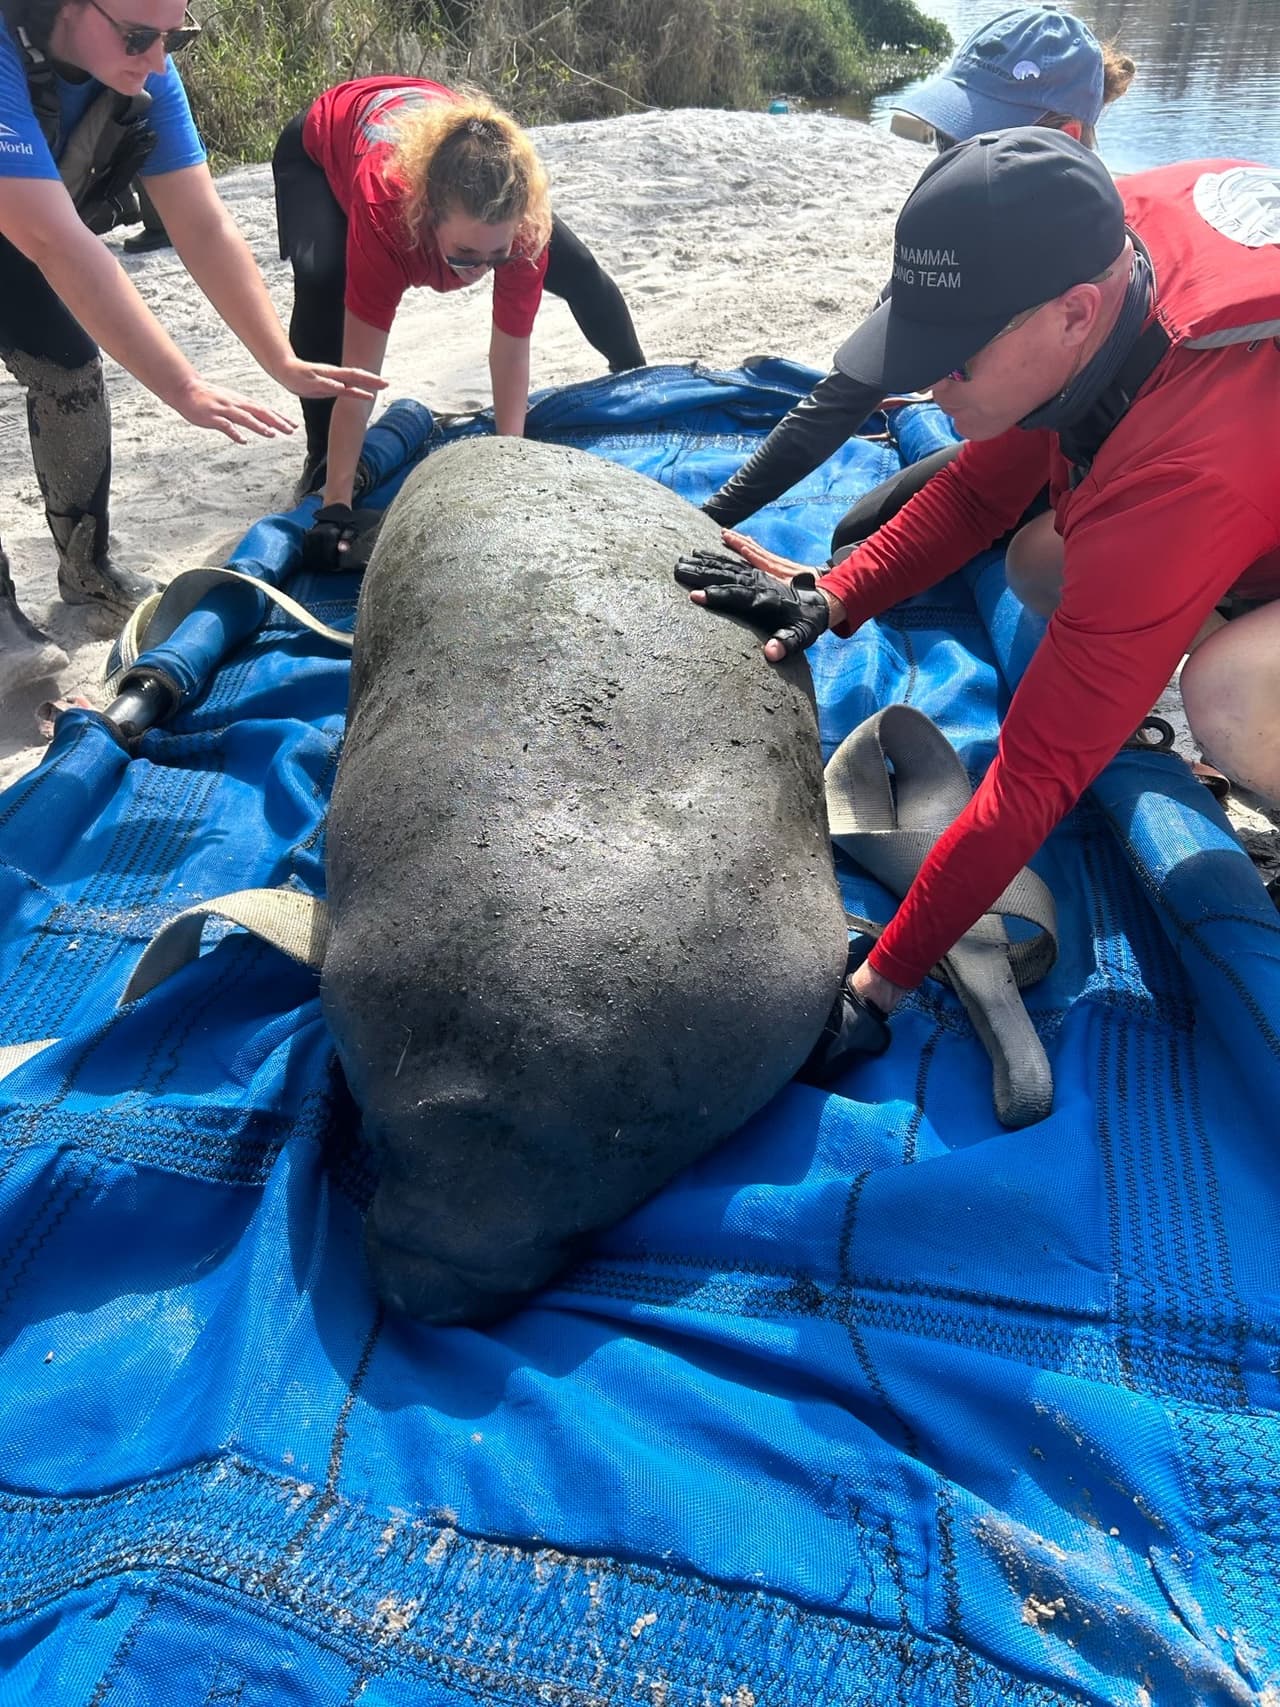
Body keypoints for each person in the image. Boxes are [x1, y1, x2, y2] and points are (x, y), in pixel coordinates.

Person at [676, 129, 1280, 1073]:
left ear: (1075, 317)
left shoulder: (1181, 471)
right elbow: (976, 496)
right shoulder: (1087, 256)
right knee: (1043, 561)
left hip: (1233, 463)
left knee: (1230, 693)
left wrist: (878, 984)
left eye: (953, 361)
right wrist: (832, 595)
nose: (929, 384)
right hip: (1241, 478)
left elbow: (1034, 777)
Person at [0, 0, 385, 699]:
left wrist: (280, 360)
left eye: (174, 37)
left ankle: (87, 568)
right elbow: (55, 241)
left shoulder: (142, 67)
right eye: (138, 37)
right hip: (29, 223)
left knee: (70, 372)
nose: (157, 60)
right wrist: (182, 386)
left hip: (18, 223)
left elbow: (202, 223)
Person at [702, 4, 1136, 548]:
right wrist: (715, 514)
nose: (947, 162)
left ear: (1066, 137)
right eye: (943, 139)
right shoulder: (959, 223)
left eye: (971, 140)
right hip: (1014, 446)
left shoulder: (1110, 248)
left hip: (1104, 461)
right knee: (856, 534)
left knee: (1027, 559)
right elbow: (846, 394)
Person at [272, 78, 647, 569]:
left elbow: (510, 351)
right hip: (319, 150)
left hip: (453, 148)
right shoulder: (387, 216)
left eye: (496, 255)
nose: (480, 269)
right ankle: (320, 457)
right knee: (323, 281)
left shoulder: (524, 229)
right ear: (426, 215)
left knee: (576, 268)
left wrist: (509, 463)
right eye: (466, 253)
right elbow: (359, 376)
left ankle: (640, 376)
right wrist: (336, 503)